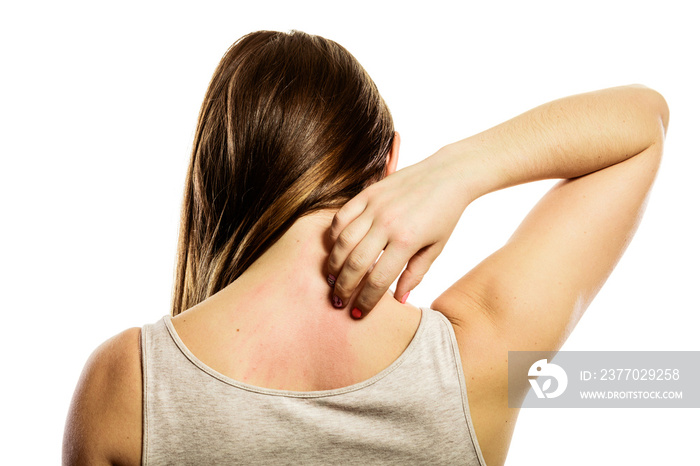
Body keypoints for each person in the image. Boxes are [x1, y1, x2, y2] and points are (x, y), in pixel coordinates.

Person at [62, 30, 669, 465]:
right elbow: (644, 124)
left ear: (218, 178)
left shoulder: (128, 383)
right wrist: (458, 171)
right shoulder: (472, 356)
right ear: (389, 164)